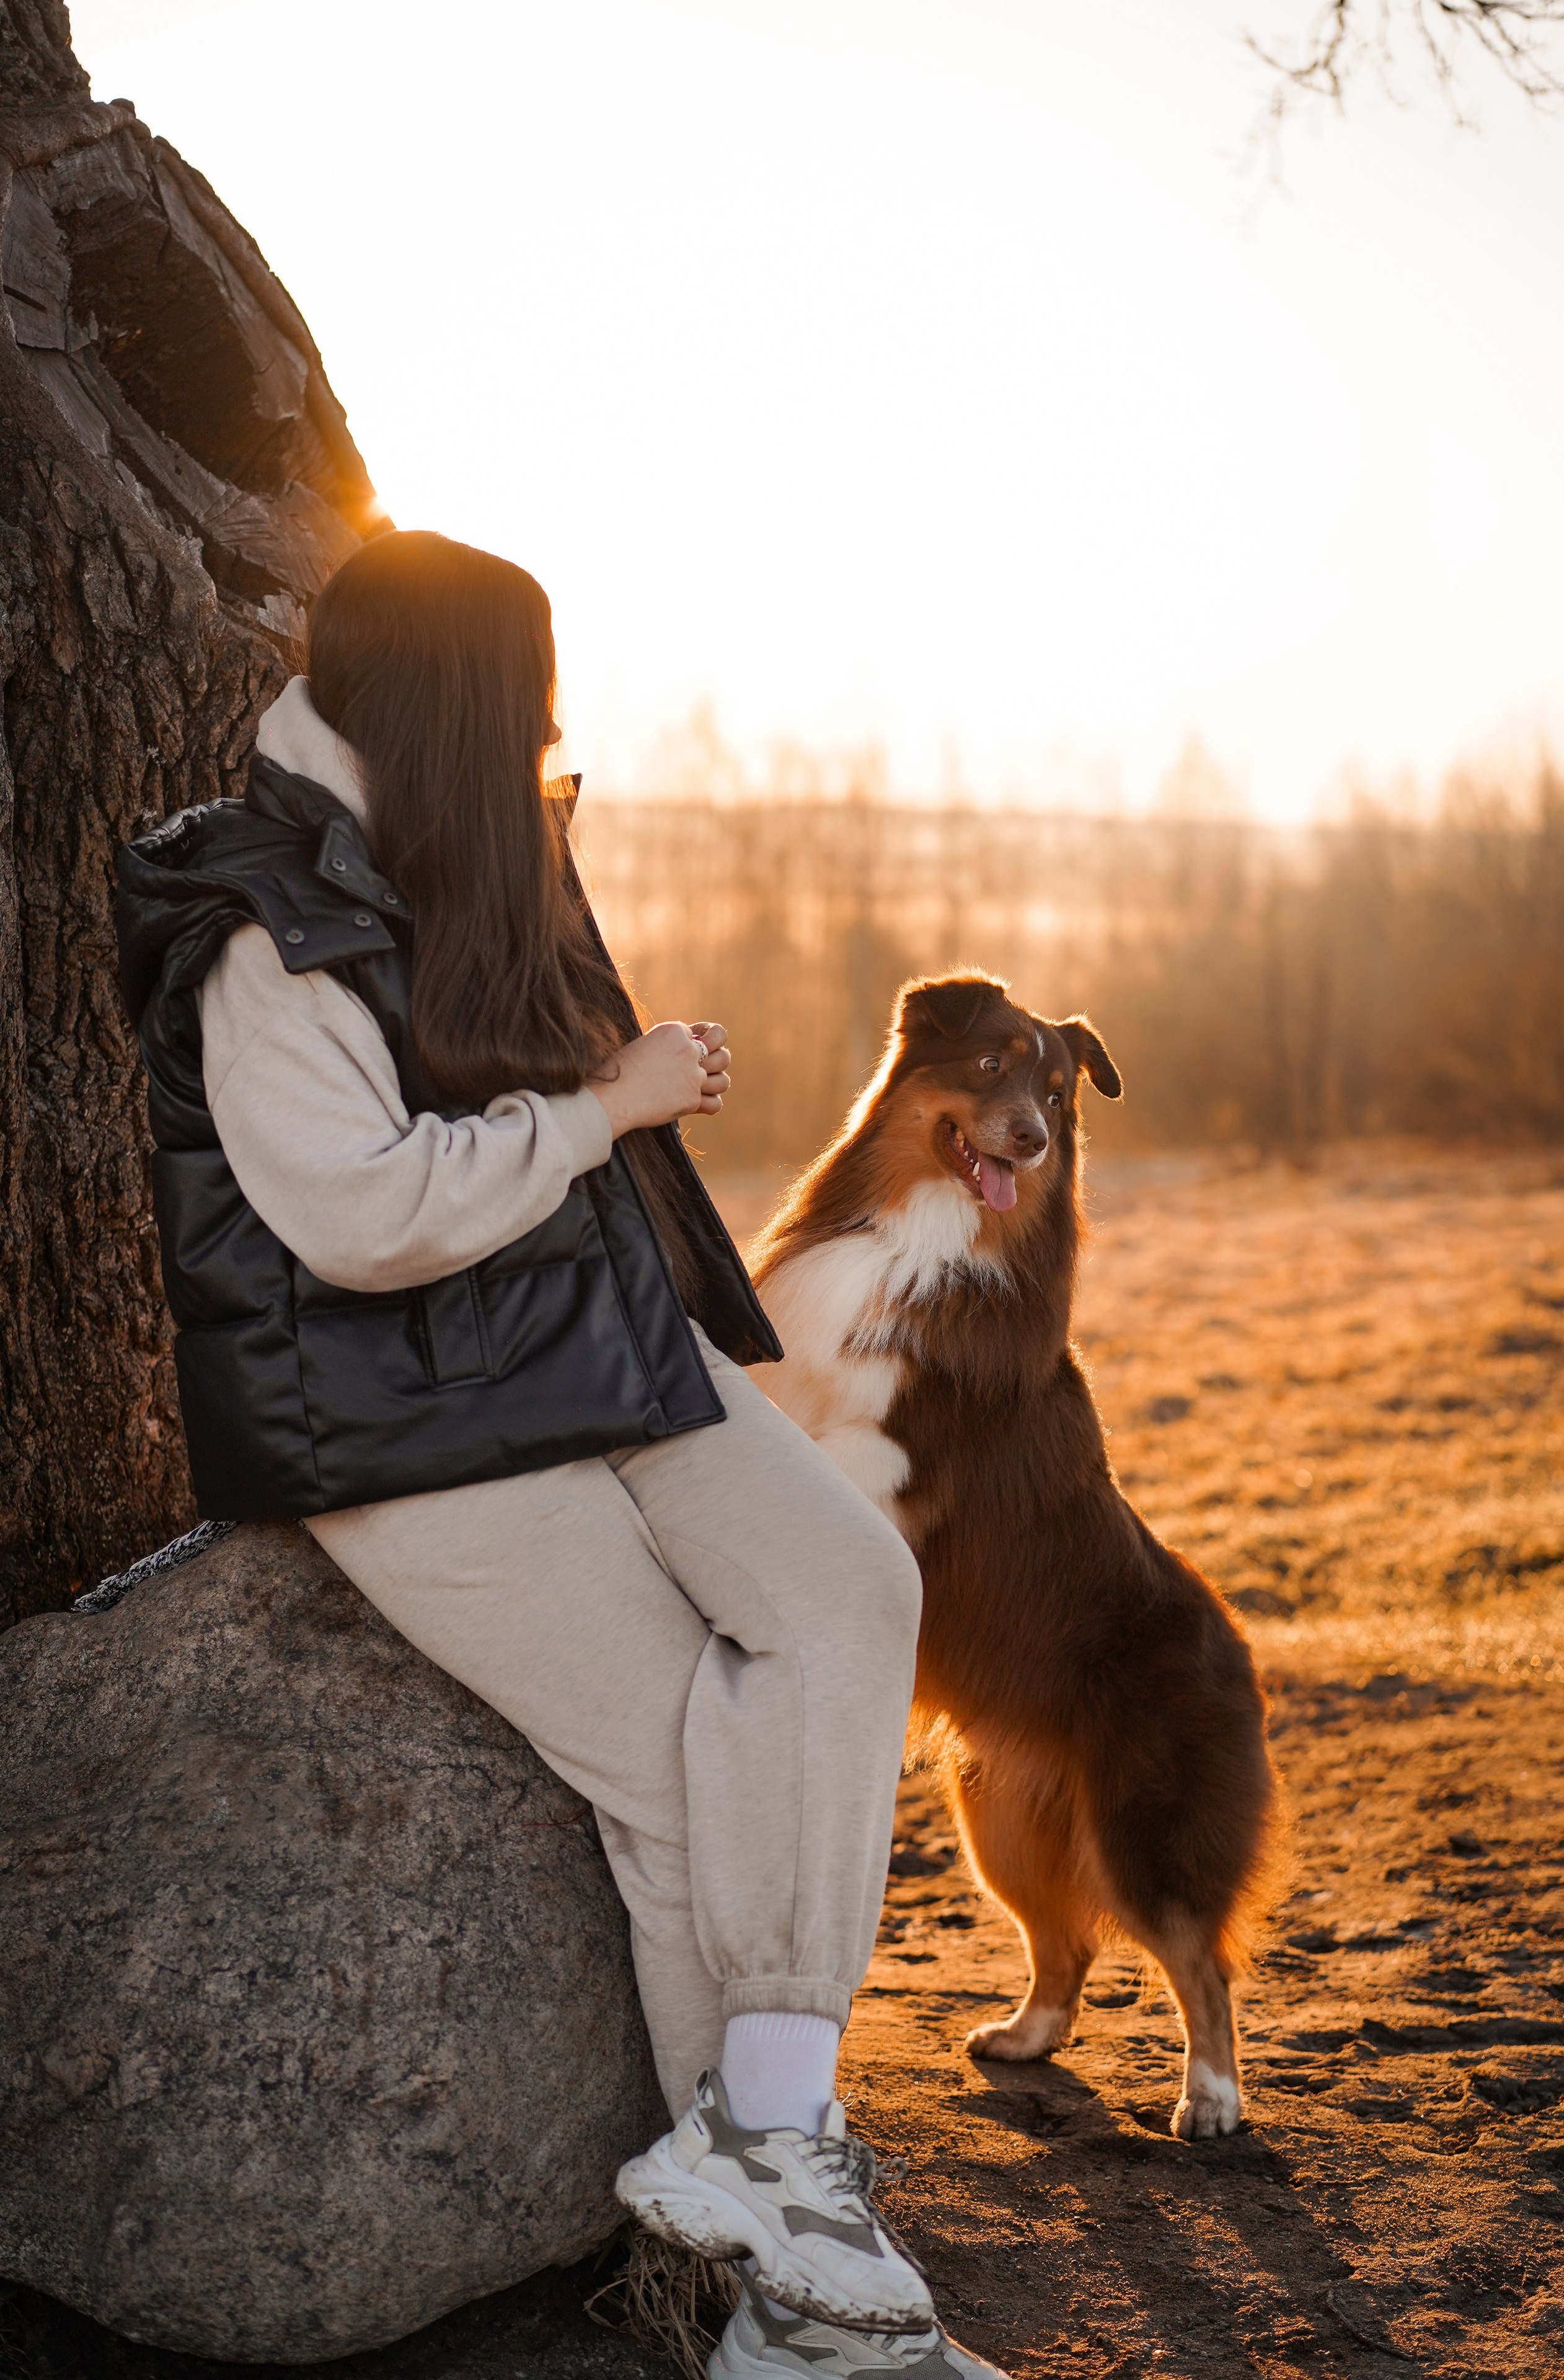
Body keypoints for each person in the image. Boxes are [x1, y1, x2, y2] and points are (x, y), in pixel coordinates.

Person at [116, 531, 1006, 2380]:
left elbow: (523, 1082)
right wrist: (602, 1108)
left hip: (595, 1351)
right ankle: (792, 2323)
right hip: (406, 1428)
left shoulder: (489, 836)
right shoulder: (260, 925)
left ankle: (765, 2145)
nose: (552, 732)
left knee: (852, 1586)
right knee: (690, 1758)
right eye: (523, 704)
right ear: (450, 712)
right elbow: (353, 1216)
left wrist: (622, 1083)